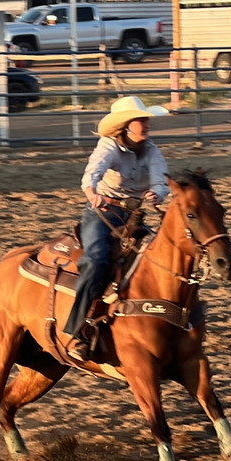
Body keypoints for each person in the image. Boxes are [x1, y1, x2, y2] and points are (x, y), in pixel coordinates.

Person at [64, 95, 170, 362]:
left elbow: (161, 180)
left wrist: (157, 194)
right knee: (95, 260)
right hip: (103, 213)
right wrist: (92, 193)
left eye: (146, 120)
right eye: (141, 120)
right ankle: (76, 331)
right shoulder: (109, 146)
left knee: (157, 258)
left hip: (133, 215)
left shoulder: (151, 149)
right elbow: (92, 174)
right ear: (126, 126)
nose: (146, 125)